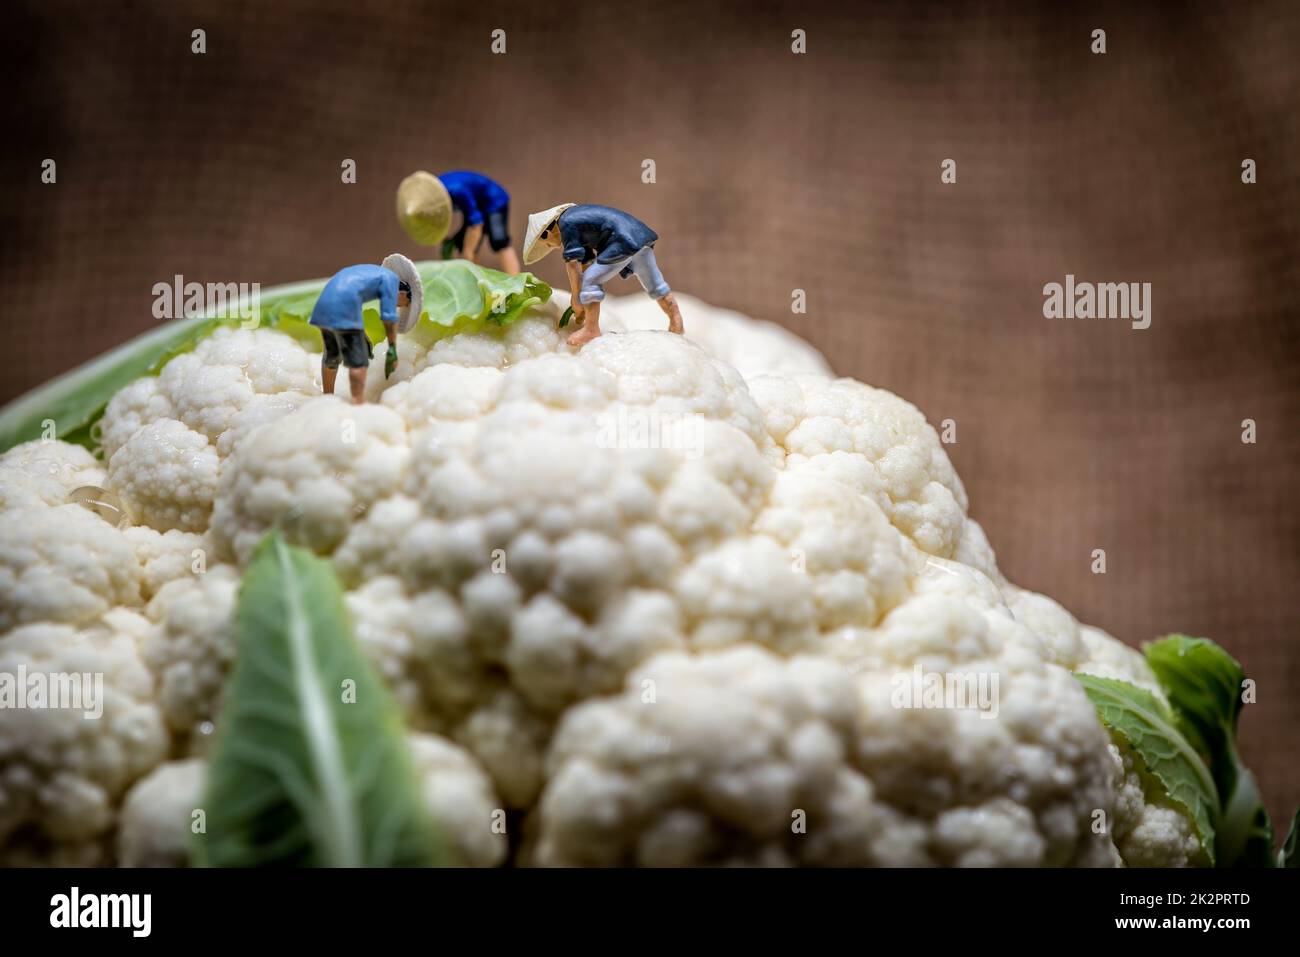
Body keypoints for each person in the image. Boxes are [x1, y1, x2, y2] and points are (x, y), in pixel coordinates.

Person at [522, 203, 684, 347]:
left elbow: (573, 265)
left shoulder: (566, 223)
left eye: (547, 243)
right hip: (639, 237)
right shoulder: (575, 217)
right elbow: (586, 262)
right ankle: (677, 323)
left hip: (623, 240)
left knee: (590, 281)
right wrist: (584, 305)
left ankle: (591, 330)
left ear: (547, 231)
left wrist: (577, 298)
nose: (553, 246)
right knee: (655, 284)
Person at [309, 263, 410, 404]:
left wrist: (361, 334)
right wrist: (392, 347)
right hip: (343, 309)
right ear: (403, 294)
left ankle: (327, 399)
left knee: (332, 356)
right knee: (358, 363)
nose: (400, 306)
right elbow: (389, 317)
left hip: (322, 307)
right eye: (404, 303)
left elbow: (351, 291)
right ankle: (358, 404)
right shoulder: (391, 280)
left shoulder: (374, 272)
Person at [395, 170, 520, 274]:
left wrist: (468, 252)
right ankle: (477, 282)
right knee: (461, 243)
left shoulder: (457, 191)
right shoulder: (432, 195)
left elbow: (476, 223)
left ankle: (516, 283)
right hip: (475, 206)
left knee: (499, 241)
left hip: (494, 200)